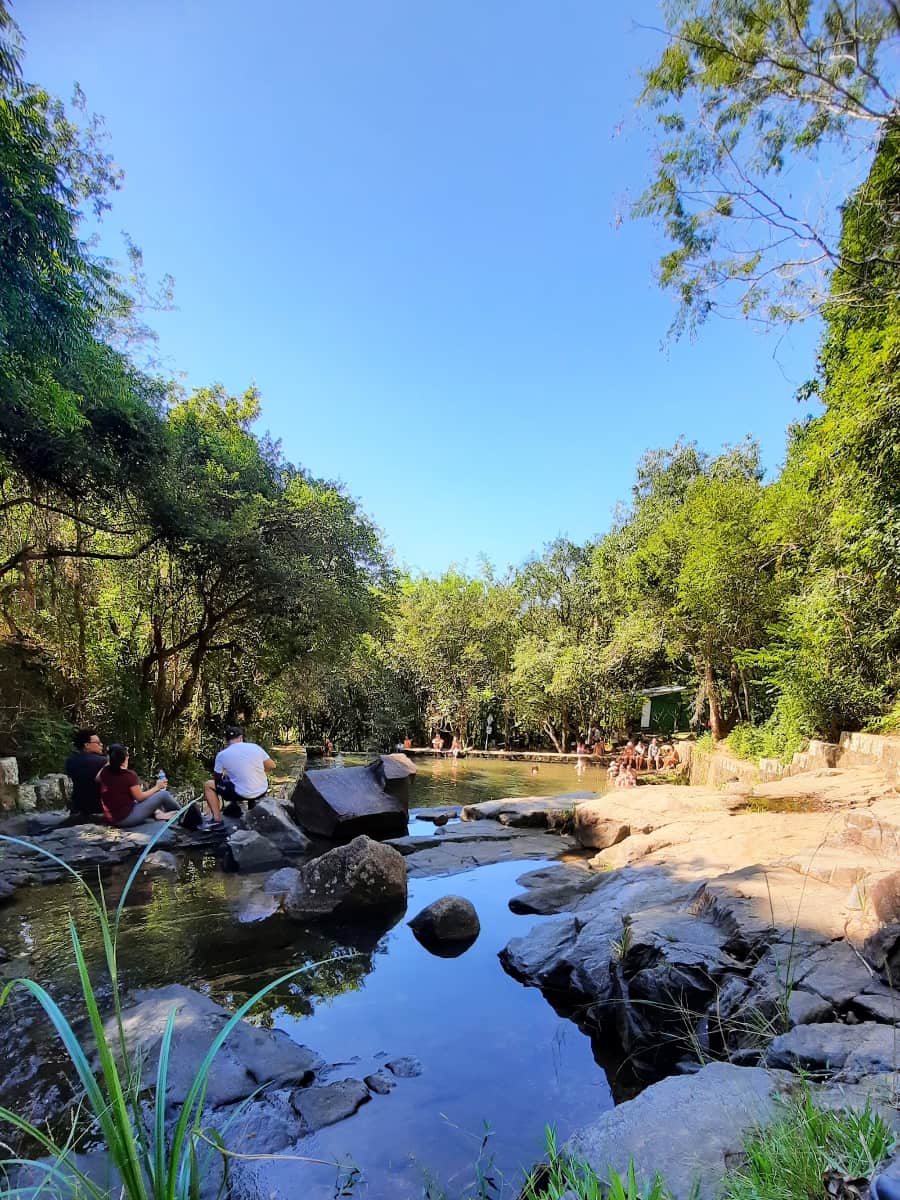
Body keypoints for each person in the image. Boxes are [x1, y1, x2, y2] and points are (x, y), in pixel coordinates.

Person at [97, 744, 183, 829]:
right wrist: (157, 787)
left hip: (112, 816)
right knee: (164, 795)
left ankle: (160, 814)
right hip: (125, 819)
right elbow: (140, 798)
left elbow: (97, 779)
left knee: (146, 798)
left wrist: (110, 762)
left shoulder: (104, 772)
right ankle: (183, 815)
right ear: (125, 759)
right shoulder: (129, 775)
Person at [204, 725, 274, 818]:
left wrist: (227, 775)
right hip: (262, 790)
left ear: (226, 741)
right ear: (241, 737)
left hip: (241, 793)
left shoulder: (222, 755)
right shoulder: (255, 747)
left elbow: (217, 779)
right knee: (239, 782)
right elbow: (272, 766)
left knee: (208, 785)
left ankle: (217, 819)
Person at [64, 729, 107, 822]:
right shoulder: (103, 762)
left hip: (79, 808)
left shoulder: (70, 761)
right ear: (86, 745)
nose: (101, 744)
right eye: (98, 743)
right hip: (99, 809)